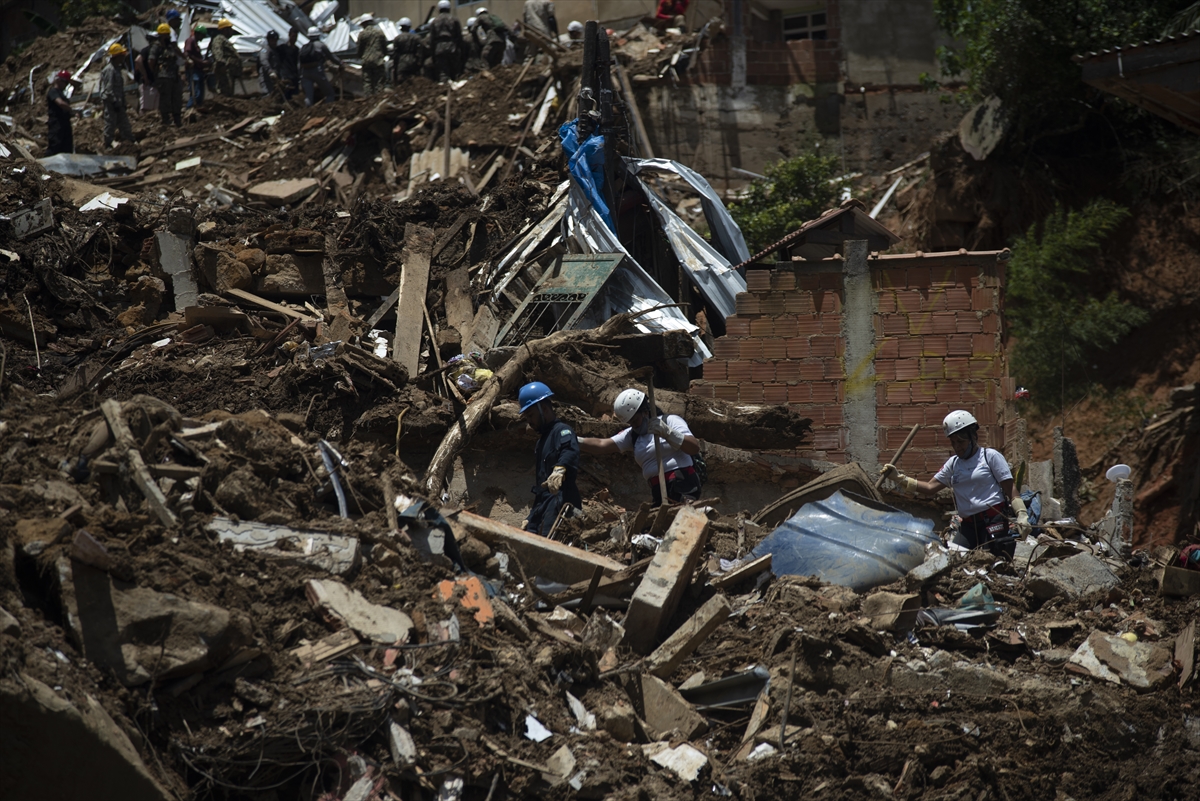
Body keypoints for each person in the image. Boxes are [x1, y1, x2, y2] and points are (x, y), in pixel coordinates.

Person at [881, 410, 1030, 560]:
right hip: (968, 526)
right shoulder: (953, 464)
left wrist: (1021, 514)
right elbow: (929, 488)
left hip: (992, 521)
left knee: (991, 560)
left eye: (961, 441)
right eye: (953, 442)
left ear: (972, 436)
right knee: (954, 560)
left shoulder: (990, 456)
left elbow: (1010, 488)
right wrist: (900, 478)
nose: (957, 446)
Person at [579, 388, 703, 507]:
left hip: (682, 484)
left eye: (635, 420)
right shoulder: (632, 435)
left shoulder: (670, 421)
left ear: (645, 412)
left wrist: (668, 433)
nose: (634, 426)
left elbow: (693, 447)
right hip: (658, 490)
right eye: (630, 423)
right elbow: (602, 445)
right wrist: (574, 441)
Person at [518, 382, 582, 538]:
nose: (529, 421)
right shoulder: (541, 442)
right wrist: (531, 517)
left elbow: (569, 450)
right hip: (544, 503)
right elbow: (542, 488)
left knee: (552, 544)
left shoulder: (562, 431)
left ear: (544, 409)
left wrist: (560, 469)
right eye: (526, 417)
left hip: (562, 500)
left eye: (531, 415)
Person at [99, 43, 134, 150]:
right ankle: (108, 144)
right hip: (111, 103)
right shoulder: (110, 70)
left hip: (118, 102)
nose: (123, 57)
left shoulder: (117, 69)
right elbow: (108, 89)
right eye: (121, 55)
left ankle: (129, 142)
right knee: (110, 123)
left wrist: (122, 102)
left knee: (124, 123)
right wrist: (114, 102)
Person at [148, 23, 184, 126]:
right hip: (163, 76)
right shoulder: (156, 47)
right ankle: (166, 120)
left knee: (177, 98)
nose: (168, 37)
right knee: (165, 99)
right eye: (166, 35)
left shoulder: (170, 47)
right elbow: (151, 61)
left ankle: (177, 119)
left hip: (174, 76)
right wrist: (155, 72)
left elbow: (177, 55)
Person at [299, 26, 342, 106]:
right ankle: (328, 110)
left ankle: (307, 114)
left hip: (305, 73)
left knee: (308, 97)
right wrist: (340, 63)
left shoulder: (304, 47)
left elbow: (300, 63)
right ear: (318, 35)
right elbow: (331, 57)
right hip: (317, 71)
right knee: (329, 93)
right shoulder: (321, 45)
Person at [430, 0, 462, 81]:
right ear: (449, 8)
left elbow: (432, 39)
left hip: (439, 47)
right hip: (452, 46)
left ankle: (444, 88)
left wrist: (433, 53)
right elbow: (459, 36)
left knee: (442, 72)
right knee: (454, 70)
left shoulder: (434, 21)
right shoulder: (454, 19)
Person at [356, 16, 388, 96]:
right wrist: (383, 55)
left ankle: (368, 101)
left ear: (364, 24)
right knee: (379, 82)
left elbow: (359, 49)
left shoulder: (362, 34)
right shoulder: (379, 33)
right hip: (378, 61)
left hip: (367, 61)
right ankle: (379, 99)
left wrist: (361, 56)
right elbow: (384, 47)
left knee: (367, 82)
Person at [211, 19, 242, 96]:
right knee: (224, 93)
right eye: (230, 29)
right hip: (224, 71)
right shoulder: (219, 39)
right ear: (225, 29)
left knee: (229, 92)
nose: (232, 31)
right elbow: (218, 52)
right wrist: (221, 64)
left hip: (229, 71)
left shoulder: (225, 40)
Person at [46, 70, 74, 156]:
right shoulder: (53, 92)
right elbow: (60, 103)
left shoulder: (61, 94)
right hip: (56, 123)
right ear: (59, 80)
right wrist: (71, 109)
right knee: (55, 145)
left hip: (64, 123)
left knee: (67, 146)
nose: (65, 85)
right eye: (65, 82)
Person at [184, 24, 210, 109]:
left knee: (200, 93)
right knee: (196, 93)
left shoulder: (195, 43)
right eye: (202, 35)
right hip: (193, 70)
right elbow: (188, 54)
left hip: (198, 70)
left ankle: (197, 110)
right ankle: (189, 109)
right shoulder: (190, 41)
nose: (202, 38)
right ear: (198, 34)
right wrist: (201, 62)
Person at [392, 17, 425, 83]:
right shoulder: (416, 37)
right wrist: (419, 59)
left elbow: (395, 54)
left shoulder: (397, 38)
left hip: (402, 61)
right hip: (413, 60)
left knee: (401, 80)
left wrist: (395, 64)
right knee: (414, 79)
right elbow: (423, 46)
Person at [275, 28, 301, 100]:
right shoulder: (282, 48)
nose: (294, 39)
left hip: (294, 76)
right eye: (293, 36)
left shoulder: (296, 49)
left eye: (296, 37)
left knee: (295, 96)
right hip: (286, 75)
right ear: (289, 35)